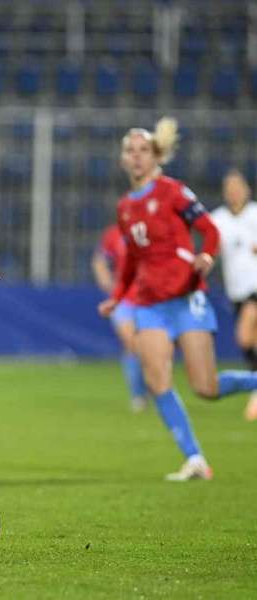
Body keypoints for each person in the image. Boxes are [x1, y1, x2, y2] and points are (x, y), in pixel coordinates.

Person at [98, 117, 257, 481]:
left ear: (156, 157)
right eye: (130, 151)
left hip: (186, 298)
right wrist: (117, 297)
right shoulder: (125, 207)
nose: (136, 157)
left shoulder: (172, 191)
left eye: (143, 150)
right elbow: (132, 261)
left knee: (206, 387)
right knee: (158, 382)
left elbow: (208, 229)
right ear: (123, 159)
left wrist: (206, 256)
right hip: (150, 304)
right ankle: (195, 459)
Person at [211, 169, 257, 421]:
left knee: (243, 335)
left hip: (255, 287)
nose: (234, 191)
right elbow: (212, 247)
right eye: (229, 187)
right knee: (252, 341)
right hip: (236, 290)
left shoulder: (255, 214)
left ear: (246, 189)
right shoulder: (218, 219)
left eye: (237, 186)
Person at [92, 224, 148, 412]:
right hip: (123, 299)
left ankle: (155, 387)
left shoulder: (154, 228)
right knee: (131, 344)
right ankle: (138, 395)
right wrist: (106, 280)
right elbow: (100, 259)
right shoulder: (114, 233)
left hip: (151, 298)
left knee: (150, 347)